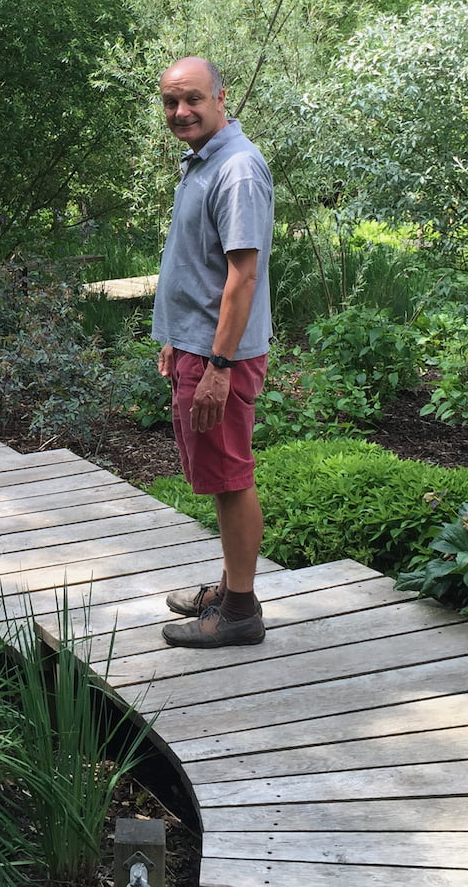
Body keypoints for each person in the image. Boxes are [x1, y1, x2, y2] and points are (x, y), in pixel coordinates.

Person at [152, 57, 273, 648]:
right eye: (171, 102)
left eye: (192, 99)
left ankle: (240, 613)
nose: (181, 112)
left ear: (221, 97)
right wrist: (176, 336)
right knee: (222, 475)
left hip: (219, 358)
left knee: (229, 478)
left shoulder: (238, 170)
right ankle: (230, 588)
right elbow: (198, 263)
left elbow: (242, 278)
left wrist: (219, 367)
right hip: (198, 348)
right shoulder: (204, 163)